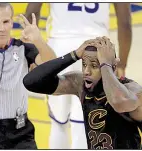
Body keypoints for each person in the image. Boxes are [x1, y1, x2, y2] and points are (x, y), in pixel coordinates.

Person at [25, 3, 132, 149]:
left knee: (58, 121)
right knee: (85, 120)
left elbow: (32, 12)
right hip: (97, 50)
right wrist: (122, 64)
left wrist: (30, 54)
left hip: (60, 48)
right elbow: (125, 23)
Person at [23, 36, 142, 149]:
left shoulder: (135, 90)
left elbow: (118, 102)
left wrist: (105, 64)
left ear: (113, 67)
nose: (86, 71)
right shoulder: (80, 85)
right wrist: (74, 55)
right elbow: (31, 82)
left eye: (94, 66)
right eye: (84, 64)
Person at [0, 3, 56, 149]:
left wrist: (38, 40)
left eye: (5, 21)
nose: (1, 28)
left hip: (21, 132)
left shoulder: (23, 48)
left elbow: (52, 65)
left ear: (12, 22)